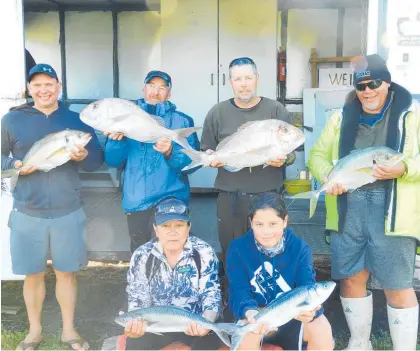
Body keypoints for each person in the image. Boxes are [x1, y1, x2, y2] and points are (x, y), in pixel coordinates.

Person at [308, 54, 420, 350]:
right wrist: (328, 178)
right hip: (348, 208)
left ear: (388, 83)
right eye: (361, 85)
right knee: (351, 278)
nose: (367, 91)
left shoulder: (413, 115)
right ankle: (359, 343)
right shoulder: (339, 117)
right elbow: (316, 156)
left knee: (398, 284)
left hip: (393, 210)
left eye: (374, 83)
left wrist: (404, 168)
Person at [1, 63, 104, 350]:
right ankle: (34, 332)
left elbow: (97, 161)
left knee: (66, 273)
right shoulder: (12, 121)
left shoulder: (76, 121)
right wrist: (14, 165)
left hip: (67, 209)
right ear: (29, 89)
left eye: (49, 84)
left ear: (59, 86)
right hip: (26, 210)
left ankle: (69, 331)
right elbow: (0, 159)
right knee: (32, 274)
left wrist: (83, 155)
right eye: (37, 85)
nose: (43, 89)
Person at [200, 57, 296, 294]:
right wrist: (211, 158)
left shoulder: (275, 110)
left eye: (248, 78)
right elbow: (206, 150)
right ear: (230, 82)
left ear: (257, 79)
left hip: (268, 196)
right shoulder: (217, 112)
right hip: (230, 195)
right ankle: (237, 304)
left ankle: (270, 303)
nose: (244, 84)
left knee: (271, 250)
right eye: (238, 79)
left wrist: (286, 158)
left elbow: (292, 152)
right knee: (232, 252)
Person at [104, 70, 200, 252]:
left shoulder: (182, 121)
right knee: (141, 254)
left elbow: (192, 164)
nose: (155, 92)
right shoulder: (126, 118)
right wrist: (117, 142)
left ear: (169, 94)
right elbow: (113, 161)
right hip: (137, 198)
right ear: (143, 89)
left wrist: (171, 152)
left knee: (175, 253)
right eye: (151, 86)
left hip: (172, 198)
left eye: (162, 88)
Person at [226, 192, 333, 350]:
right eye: (259, 224)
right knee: (247, 336)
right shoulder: (237, 248)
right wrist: (249, 312)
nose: (266, 232)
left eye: (273, 224)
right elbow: (239, 290)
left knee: (321, 326)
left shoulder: (300, 248)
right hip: (257, 315)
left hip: (291, 316)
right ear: (251, 223)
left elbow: (307, 286)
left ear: (285, 221)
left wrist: (312, 311)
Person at [122, 197, 223, 350]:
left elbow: (211, 295)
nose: (173, 231)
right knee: (135, 343)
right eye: (166, 225)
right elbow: (137, 297)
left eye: (179, 225)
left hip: (195, 325)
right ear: (156, 229)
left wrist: (206, 325)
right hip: (154, 327)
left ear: (188, 227)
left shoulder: (204, 252)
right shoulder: (142, 255)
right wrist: (135, 326)